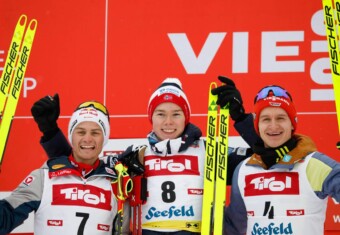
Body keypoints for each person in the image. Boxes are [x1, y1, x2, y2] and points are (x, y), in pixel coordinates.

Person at [31, 77, 256, 234]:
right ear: (151, 117)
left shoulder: (209, 151)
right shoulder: (135, 156)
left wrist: (240, 117)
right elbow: (82, 167)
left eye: (176, 114)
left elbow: (261, 159)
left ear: (186, 116)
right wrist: (51, 132)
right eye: (160, 114)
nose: (168, 122)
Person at [0, 99, 132, 235]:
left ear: (104, 138)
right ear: (71, 136)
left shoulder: (117, 185)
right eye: (81, 132)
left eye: (95, 133)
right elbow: (4, 219)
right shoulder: (43, 178)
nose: (87, 139)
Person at [223, 84, 340, 235]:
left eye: (281, 118)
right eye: (266, 119)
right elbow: (234, 227)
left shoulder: (314, 165)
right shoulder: (244, 169)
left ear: (292, 124)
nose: (273, 126)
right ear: (257, 125)